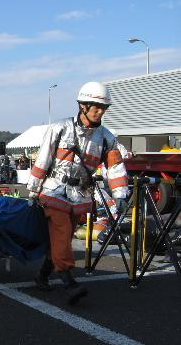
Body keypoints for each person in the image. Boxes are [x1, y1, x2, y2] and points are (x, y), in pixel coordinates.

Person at [27, 81, 129, 305]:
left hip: (81, 195)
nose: (100, 111)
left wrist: (120, 194)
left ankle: (42, 275)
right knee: (62, 232)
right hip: (54, 191)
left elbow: (115, 167)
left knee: (60, 238)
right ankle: (68, 282)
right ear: (82, 105)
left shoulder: (106, 137)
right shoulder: (60, 128)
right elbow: (43, 159)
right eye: (95, 106)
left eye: (103, 107)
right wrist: (33, 189)